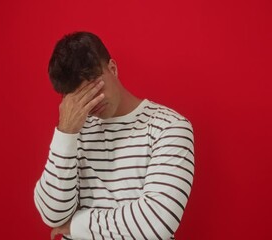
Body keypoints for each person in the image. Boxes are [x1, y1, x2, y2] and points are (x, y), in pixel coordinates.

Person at [34, 31, 195, 240]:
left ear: (113, 68)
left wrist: (76, 225)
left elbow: (155, 224)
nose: (92, 102)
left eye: (94, 87)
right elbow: (52, 215)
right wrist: (66, 134)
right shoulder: (73, 131)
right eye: (79, 97)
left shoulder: (169, 127)